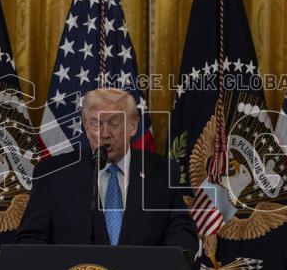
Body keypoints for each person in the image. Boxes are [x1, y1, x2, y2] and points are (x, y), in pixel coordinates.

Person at [16, 88, 198, 254]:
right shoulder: (53, 173)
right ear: (86, 128)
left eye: (114, 123)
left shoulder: (162, 172)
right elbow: (31, 240)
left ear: (133, 126)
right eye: (96, 124)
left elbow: (182, 234)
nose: (104, 134)